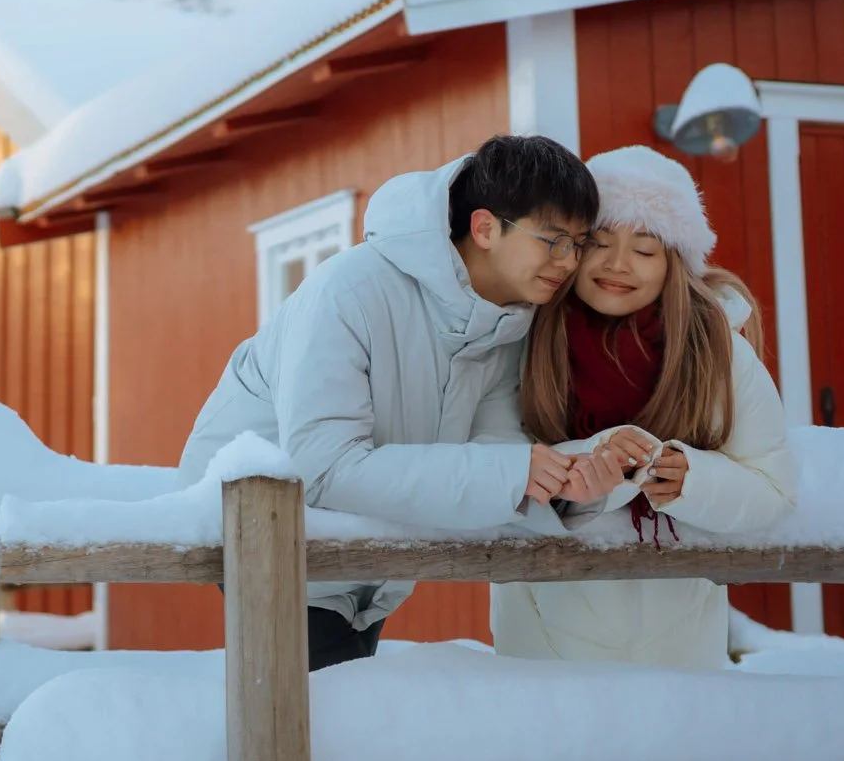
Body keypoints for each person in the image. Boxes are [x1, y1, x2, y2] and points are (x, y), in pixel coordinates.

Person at [178, 134, 610, 670]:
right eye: (553, 240)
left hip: (368, 549)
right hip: (274, 534)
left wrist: (559, 486)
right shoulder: (349, 291)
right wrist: (510, 471)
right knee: (311, 727)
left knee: (335, 725)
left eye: (579, 243)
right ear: (485, 227)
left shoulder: (507, 322)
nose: (569, 261)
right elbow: (323, 465)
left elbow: (494, 444)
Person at [490, 144, 796, 669]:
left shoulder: (717, 352)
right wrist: (585, 465)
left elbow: (773, 488)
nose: (617, 265)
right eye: (600, 243)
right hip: (544, 634)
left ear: (674, 262)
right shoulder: (521, 338)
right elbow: (488, 461)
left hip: (677, 638)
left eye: (645, 249)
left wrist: (691, 480)